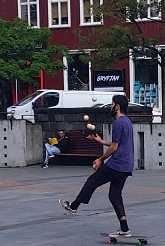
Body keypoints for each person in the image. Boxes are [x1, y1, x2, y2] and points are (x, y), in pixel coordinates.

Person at [59, 94, 134, 238]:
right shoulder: (127, 122)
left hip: (117, 164)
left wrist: (100, 159)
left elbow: (114, 147)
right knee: (114, 195)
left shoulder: (118, 123)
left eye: (112, 104)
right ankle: (124, 228)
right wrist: (101, 142)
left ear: (117, 106)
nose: (111, 107)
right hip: (126, 165)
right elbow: (118, 144)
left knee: (92, 182)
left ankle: (73, 207)